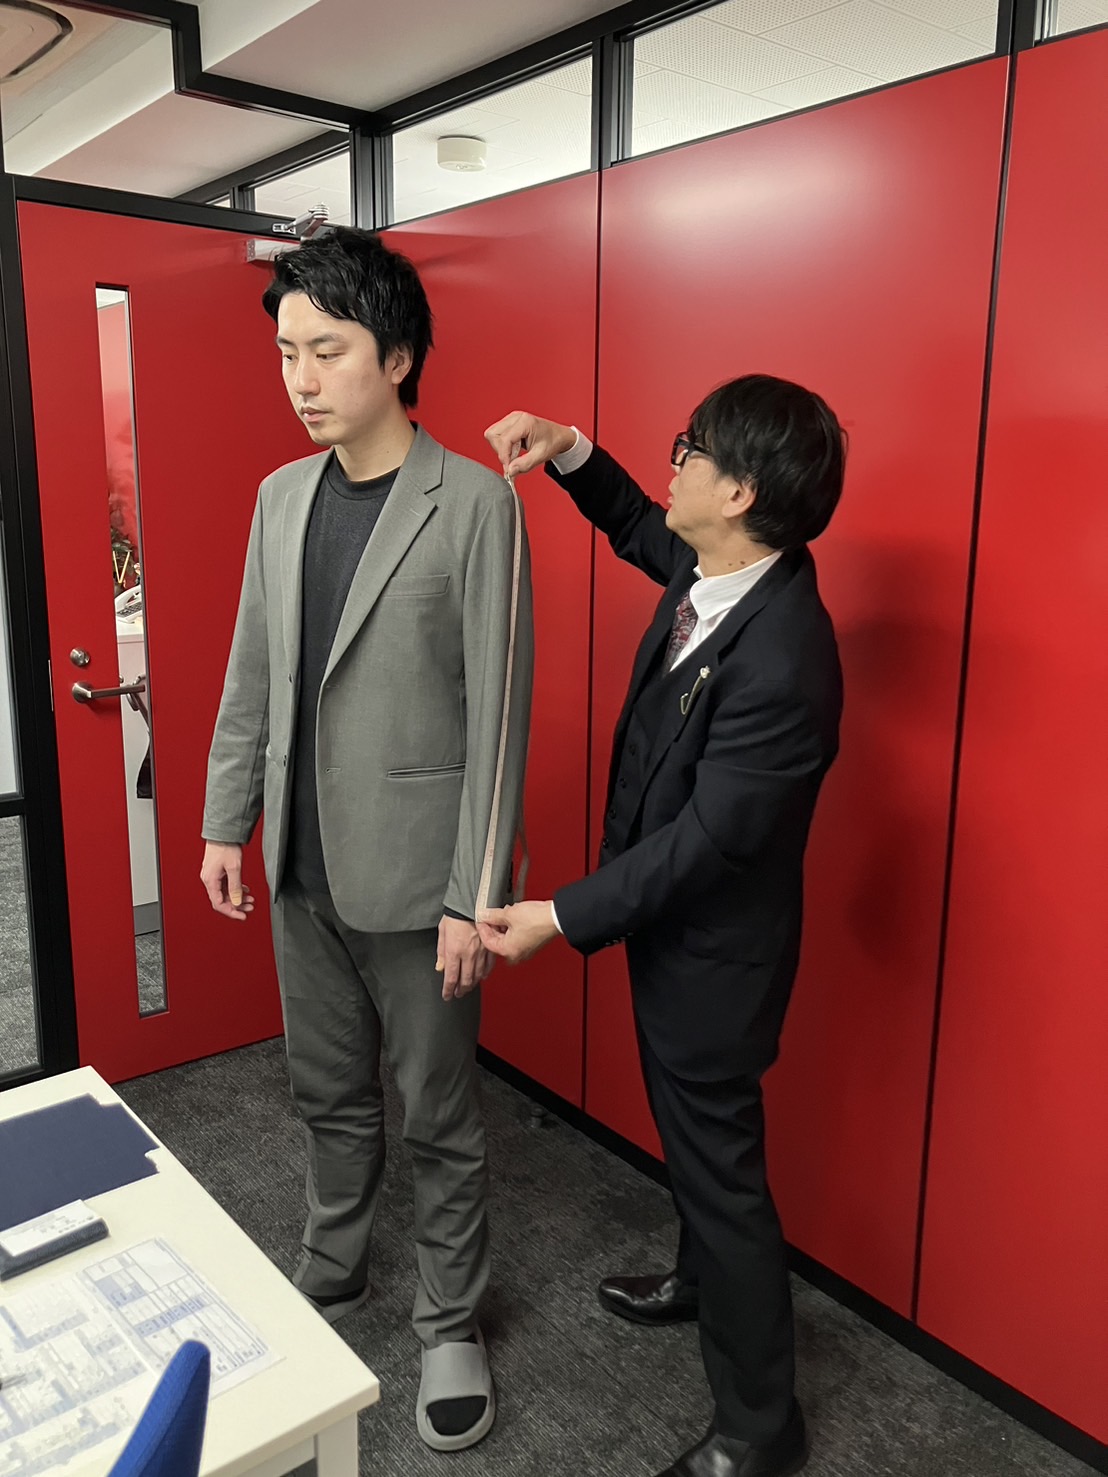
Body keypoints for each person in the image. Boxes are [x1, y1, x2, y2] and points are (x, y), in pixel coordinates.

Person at [200, 228, 532, 1452]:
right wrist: (224, 817)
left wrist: (472, 894)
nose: (301, 379)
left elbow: (499, 716)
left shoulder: (475, 503)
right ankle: (331, 1259)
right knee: (325, 1092)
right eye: (287, 353)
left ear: (396, 357)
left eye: (327, 351)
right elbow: (252, 669)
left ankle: (449, 1318)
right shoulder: (279, 497)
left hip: (421, 875)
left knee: (435, 1111)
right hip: (300, 861)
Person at [481, 377, 844, 1477]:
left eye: (690, 449)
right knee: (694, 1144)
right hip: (668, 933)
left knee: (723, 1179)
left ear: (738, 492)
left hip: (714, 960)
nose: (672, 462)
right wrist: (566, 447)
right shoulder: (720, 568)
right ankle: (696, 1282)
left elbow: (710, 844)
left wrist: (562, 913)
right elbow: (641, 524)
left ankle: (759, 1426)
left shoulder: (785, 657)